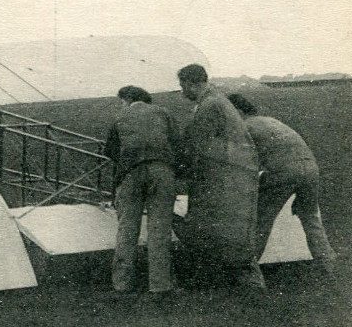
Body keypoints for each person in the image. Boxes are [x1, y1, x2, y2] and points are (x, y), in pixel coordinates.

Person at [226, 94, 337, 276]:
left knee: (260, 220)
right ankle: (328, 266)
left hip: (283, 171)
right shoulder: (271, 121)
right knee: (310, 218)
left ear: (238, 111)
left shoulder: (244, 127)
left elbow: (244, 164)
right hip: (310, 169)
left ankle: (249, 272)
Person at [175, 64, 263, 289]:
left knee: (223, 226)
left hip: (227, 174)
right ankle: (235, 280)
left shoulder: (210, 104)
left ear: (192, 83)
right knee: (229, 226)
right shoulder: (215, 100)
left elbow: (197, 142)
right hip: (232, 171)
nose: (183, 92)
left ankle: (243, 281)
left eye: (183, 86)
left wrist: (178, 165)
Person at [104, 86, 179, 297]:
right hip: (162, 171)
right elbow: (177, 143)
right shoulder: (163, 113)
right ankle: (160, 286)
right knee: (160, 229)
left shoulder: (120, 116)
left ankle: (122, 284)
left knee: (127, 229)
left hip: (131, 173)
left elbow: (110, 150)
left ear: (127, 99)